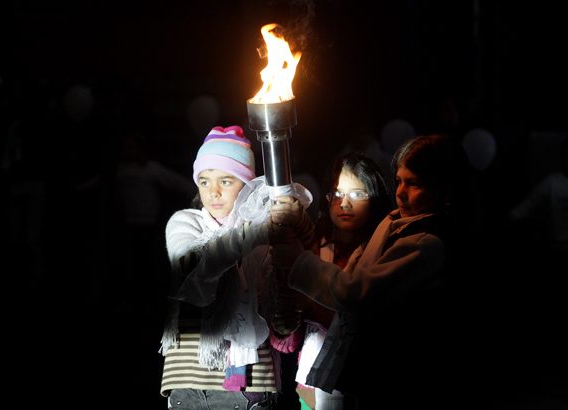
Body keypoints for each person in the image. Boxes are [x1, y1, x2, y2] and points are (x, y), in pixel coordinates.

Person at [271, 134, 473, 408]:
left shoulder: (427, 242)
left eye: (414, 183)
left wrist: (298, 263)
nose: (401, 191)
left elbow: (356, 293)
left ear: (443, 188)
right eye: (399, 180)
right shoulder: (395, 224)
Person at [158, 125, 314, 410]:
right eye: (204, 181)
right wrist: (257, 232)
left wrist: (294, 226)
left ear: (247, 185)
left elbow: (283, 314)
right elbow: (197, 265)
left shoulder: (265, 235)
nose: (213, 192)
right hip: (191, 383)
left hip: (253, 383)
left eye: (226, 181)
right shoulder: (185, 222)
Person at [283, 152, 393, 409]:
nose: (344, 204)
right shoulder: (313, 247)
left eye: (357, 194)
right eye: (337, 193)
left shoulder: (384, 251)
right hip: (310, 377)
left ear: (376, 198)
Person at [509, 136, 568, 322]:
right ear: (561, 159)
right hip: (557, 247)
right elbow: (530, 203)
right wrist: (511, 217)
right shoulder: (553, 182)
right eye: (567, 156)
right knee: (560, 293)